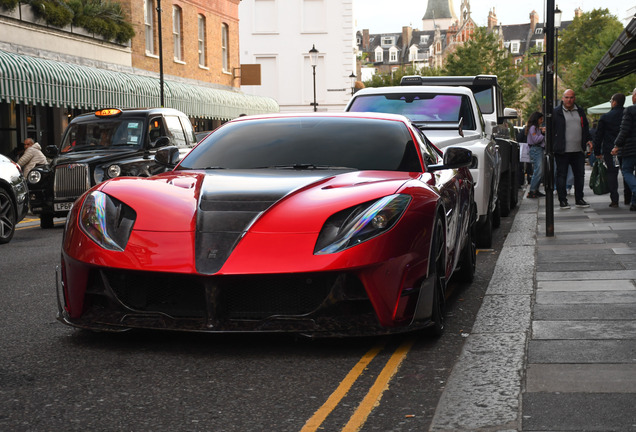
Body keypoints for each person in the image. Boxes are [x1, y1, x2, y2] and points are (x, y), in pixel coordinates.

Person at [552, 89, 593, 209]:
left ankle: (579, 199)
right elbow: (551, 129)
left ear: (574, 98)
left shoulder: (579, 111)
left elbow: (585, 127)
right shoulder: (556, 112)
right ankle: (563, 200)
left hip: (578, 150)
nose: (569, 100)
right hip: (562, 150)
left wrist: (588, 139)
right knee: (561, 176)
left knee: (579, 175)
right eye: (567, 97)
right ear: (562, 98)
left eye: (571, 97)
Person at [593, 93, 625, 207]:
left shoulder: (605, 117)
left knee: (612, 174)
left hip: (610, 150)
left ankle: (615, 199)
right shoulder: (628, 114)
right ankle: (629, 198)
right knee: (627, 172)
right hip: (626, 149)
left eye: (611, 101)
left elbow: (599, 136)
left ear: (614, 102)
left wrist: (597, 151)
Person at [611, 88, 636, 211]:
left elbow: (624, 130)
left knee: (626, 170)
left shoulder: (630, 110)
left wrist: (617, 145)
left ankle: (635, 190)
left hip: (631, 148)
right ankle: (634, 203)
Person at [525, 111, 546, 198]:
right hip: (536, 149)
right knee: (538, 171)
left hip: (538, 149)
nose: (542, 121)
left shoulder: (535, 128)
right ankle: (532, 190)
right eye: (541, 119)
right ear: (536, 119)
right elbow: (536, 139)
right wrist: (543, 134)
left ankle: (535, 190)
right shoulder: (533, 128)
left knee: (539, 171)